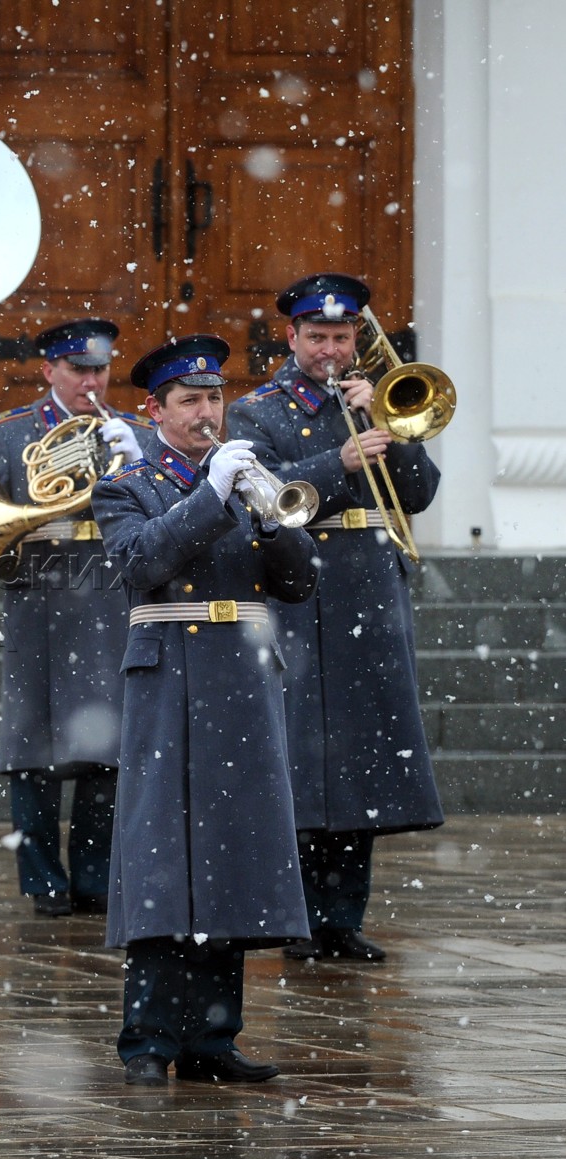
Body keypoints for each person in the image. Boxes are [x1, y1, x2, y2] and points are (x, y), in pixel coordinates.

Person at [94, 334, 318, 1085]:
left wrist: (276, 519)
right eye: (188, 401)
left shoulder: (249, 475)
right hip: (168, 678)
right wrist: (210, 496)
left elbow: (297, 584)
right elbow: (139, 563)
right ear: (155, 410)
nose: (205, 413)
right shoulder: (128, 483)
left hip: (243, 680)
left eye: (213, 398)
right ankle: (148, 1038)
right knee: (162, 858)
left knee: (234, 854)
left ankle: (214, 1039)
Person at [226, 273, 444, 962]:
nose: (329, 349)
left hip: (371, 590)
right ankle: (297, 920)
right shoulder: (258, 410)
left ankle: (342, 918)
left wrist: (390, 431)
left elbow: (420, 493)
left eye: (341, 337)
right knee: (300, 760)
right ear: (290, 338)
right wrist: (335, 459)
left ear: (357, 339)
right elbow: (261, 497)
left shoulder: (377, 398)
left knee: (365, 762)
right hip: (300, 588)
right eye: (316, 337)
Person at [0, 318, 153, 916]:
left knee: (107, 751)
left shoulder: (134, 431)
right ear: (49, 371)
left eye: (99, 369)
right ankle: (44, 883)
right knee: (34, 752)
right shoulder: (13, 430)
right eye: (78, 370)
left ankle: (97, 880)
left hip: (111, 593)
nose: (91, 381)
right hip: (43, 597)